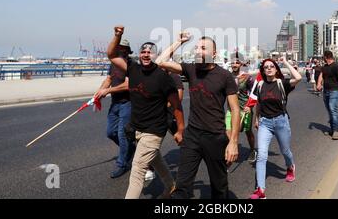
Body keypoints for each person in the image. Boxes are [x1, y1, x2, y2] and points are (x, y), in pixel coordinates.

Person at [158, 33, 240, 199]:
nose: (197, 51)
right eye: (196, 47)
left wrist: (233, 142)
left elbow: (235, 109)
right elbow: (160, 61)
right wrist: (179, 41)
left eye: (203, 48)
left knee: (219, 188)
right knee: (182, 187)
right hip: (192, 136)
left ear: (214, 54)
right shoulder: (190, 69)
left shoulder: (225, 76)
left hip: (215, 137)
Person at [107, 26, 185, 199]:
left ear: (156, 56)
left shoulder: (164, 78)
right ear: (139, 54)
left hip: (154, 131)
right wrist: (117, 36)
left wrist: (180, 130)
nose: (146, 54)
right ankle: (172, 187)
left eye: (150, 52)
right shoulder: (133, 69)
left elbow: (177, 106)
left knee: (137, 169)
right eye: (143, 51)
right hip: (137, 128)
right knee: (156, 159)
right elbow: (112, 55)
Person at [248, 56, 302, 199]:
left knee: (285, 150)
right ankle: (261, 190)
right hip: (265, 123)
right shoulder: (260, 85)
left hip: (280, 122)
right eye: (266, 67)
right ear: (263, 71)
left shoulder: (282, 83)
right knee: (262, 155)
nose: (269, 68)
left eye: (272, 66)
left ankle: (290, 167)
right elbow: (259, 104)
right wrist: (256, 119)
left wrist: (285, 62)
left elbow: (298, 77)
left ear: (276, 69)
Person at [94, 39, 135, 178]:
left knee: (123, 135)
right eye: (118, 47)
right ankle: (131, 149)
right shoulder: (113, 64)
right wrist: (99, 92)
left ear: (127, 50)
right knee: (111, 133)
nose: (120, 50)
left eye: (123, 48)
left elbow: (128, 85)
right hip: (115, 103)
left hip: (128, 103)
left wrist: (108, 91)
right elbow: (108, 79)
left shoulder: (131, 65)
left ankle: (122, 164)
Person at [226, 52, 256, 164]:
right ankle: (232, 149)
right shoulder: (227, 76)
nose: (234, 64)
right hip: (231, 109)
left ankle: (253, 150)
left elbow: (254, 93)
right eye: (232, 63)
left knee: (247, 132)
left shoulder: (247, 77)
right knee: (228, 131)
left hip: (244, 109)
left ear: (241, 64)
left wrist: (250, 105)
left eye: (237, 62)